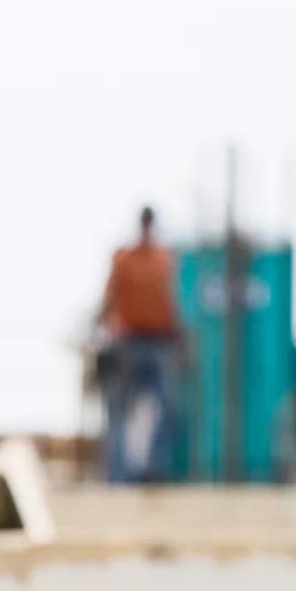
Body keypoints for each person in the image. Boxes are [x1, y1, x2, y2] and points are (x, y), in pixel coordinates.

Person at [97, 206, 183, 483]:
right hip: (129, 342)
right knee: (119, 411)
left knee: (168, 407)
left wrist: (179, 335)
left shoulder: (164, 259)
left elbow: (172, 301)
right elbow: (109, 298)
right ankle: (119, 476)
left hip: (160, 341)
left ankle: (154, 470)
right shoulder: (124, 259)